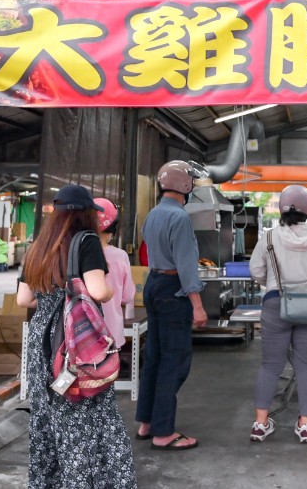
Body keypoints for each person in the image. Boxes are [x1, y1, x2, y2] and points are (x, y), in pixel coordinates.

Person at [16, 184, 137, 489]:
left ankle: (51, 482)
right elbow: (97, 290)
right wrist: (109, 290)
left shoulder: (38, 245)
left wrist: (51, 297)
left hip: (42, 342)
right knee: (87, 413)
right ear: (85, 214)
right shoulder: (86, 242)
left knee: (49, 416)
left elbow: (23, 299)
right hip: (73, 341)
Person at [248, 185, 307, 444]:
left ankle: (260, 423)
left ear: (281, 208)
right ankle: (306, 424)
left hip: (276, 304)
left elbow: (256, 271)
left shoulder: (269, 237)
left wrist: (274, 284)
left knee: (270, 365)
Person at [135, 160, 207, 451]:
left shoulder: (153, 214)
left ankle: (147, 421)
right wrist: (198, 306)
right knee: (174, 362)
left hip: (153, 284)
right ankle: (163, 432)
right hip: (173, 288)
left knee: (154, 355)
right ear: (185, 186)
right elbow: (186, 265)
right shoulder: (179, 218)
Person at [93, 198, 136, 351]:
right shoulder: (120, 256)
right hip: (111, 330)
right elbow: (127, 296)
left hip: (82, 332)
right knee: (108, 373)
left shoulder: (76, 253)